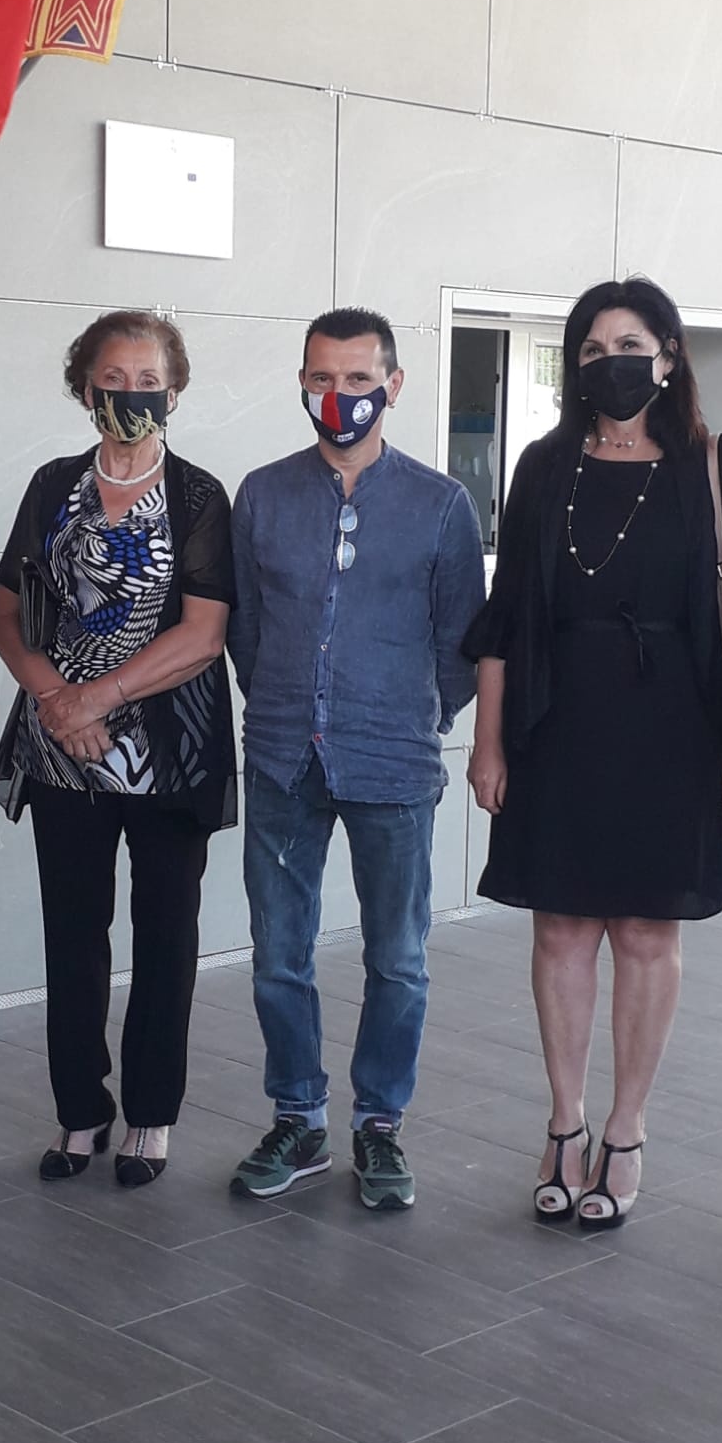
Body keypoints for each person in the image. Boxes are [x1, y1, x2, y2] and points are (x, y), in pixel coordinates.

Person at [465, 279, 722, 1231]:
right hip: (558, 719)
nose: (611, 363)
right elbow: (506, 616)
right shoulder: (545, 464)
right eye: (591, 350)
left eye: (629, 346)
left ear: (668, 356)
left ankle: (625, 1129)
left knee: (645, 934)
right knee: (560, 930)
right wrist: (489, 741)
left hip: (674, 724)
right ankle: (563, 1121)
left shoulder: (714, 463)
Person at [227, 307, 486, 1211]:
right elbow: (247, 629)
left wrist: (411, 716)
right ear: (302, 383)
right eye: (321, 379)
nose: (339, 396)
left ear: (393, 385)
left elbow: (460, 643)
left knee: (398, 957)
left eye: (358, 379)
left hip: (393, 761)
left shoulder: (441, 504)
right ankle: (297, 1118)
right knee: (278, 953)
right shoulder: (262, 495)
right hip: (281, 757)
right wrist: (284, 704)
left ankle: (380, 1125)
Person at [0, 311, 236, 1188]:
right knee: (73, 937)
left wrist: (97, 697)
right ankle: (80, 1112)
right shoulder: (53, 484)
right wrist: (57, 700)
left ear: (175, 389)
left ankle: (151, 1116)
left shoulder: (199, 496)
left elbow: (204, 635)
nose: (132, 395)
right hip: (62, 750)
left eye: (148, 380)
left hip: (168, 754)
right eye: (113, 379)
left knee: (165, 937)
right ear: (83, 386)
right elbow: (7, 612)